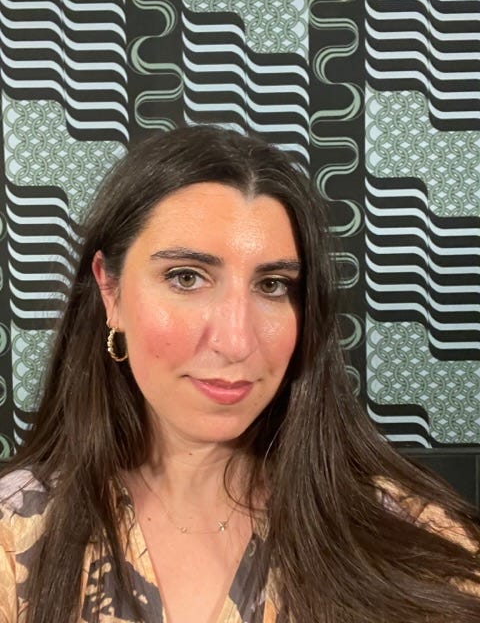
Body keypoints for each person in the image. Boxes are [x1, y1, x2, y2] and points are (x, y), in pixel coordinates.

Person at [0, 125, 479, 623]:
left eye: (272, 285)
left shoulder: (414, 538)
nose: (236, 341)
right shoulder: (17, 535)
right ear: (111, 291)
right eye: (186, 277)